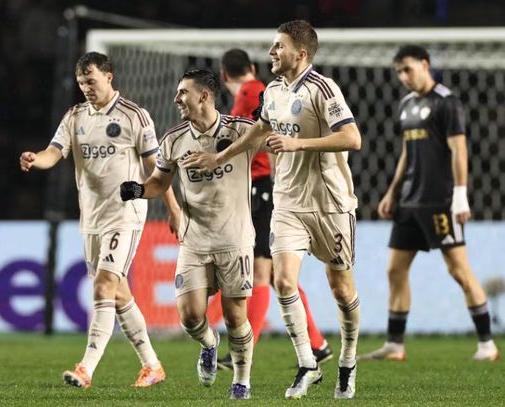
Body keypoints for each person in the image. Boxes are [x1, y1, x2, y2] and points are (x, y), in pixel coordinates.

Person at [183, 20, 362, 400]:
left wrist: (299, 144)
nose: (271, 52)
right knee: (282, 282)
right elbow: (259, 130)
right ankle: (308, 363)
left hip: (330, 203)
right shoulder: (274, 91)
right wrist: (220, 157)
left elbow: (352, 137)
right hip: (287, 202)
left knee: (342, 289)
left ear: (301, 53)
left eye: (279, 46)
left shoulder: (323, 88)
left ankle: (347, 362)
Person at [19, 52, 180, 388]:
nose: (85, 88)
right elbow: (54, 152)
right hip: (92, 217)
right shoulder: (75, 116)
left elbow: (156, 169)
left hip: (125, 213)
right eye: (81, 83)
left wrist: (174, 210)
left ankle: (86, 368)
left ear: (109, 76)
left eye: (90, 81)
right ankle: (152, 366)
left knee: (104, 284)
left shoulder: (134, 115)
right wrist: (36, 159)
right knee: (118, 293)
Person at [120, 68, 259, 400]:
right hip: (194, 239)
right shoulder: (173, 139)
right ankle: (209, 344)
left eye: (183, 92)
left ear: (204, 96)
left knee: (235, 315)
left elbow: (271, 137)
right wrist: (139, 189)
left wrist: (269, 114)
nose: (176, 98)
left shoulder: (240, 130)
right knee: (190, 316)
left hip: (234, 239)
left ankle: (241, 381)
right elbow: (160, 182)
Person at [358, 45, 500, 362]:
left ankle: (487, 344)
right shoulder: (406, 105)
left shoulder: (447, 103)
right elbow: (407, 153)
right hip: (410, 201)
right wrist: (392, 192)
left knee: (459, 271)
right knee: (395, 270)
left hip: (440, 201)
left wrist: (460, 196)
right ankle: (395, 345)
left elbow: (459, 151)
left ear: (425, 65)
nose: (403, 77)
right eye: (398, 72)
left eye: (407, 69)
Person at [211, 48, 332, 371]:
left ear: (223, 76)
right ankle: (317, 344)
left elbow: (257, 139)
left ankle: (243, 349)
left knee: (260, 271)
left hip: (261, 190)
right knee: (279, 274)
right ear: (251, 66)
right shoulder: (263, 91)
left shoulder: (250, 94)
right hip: (269, 189)